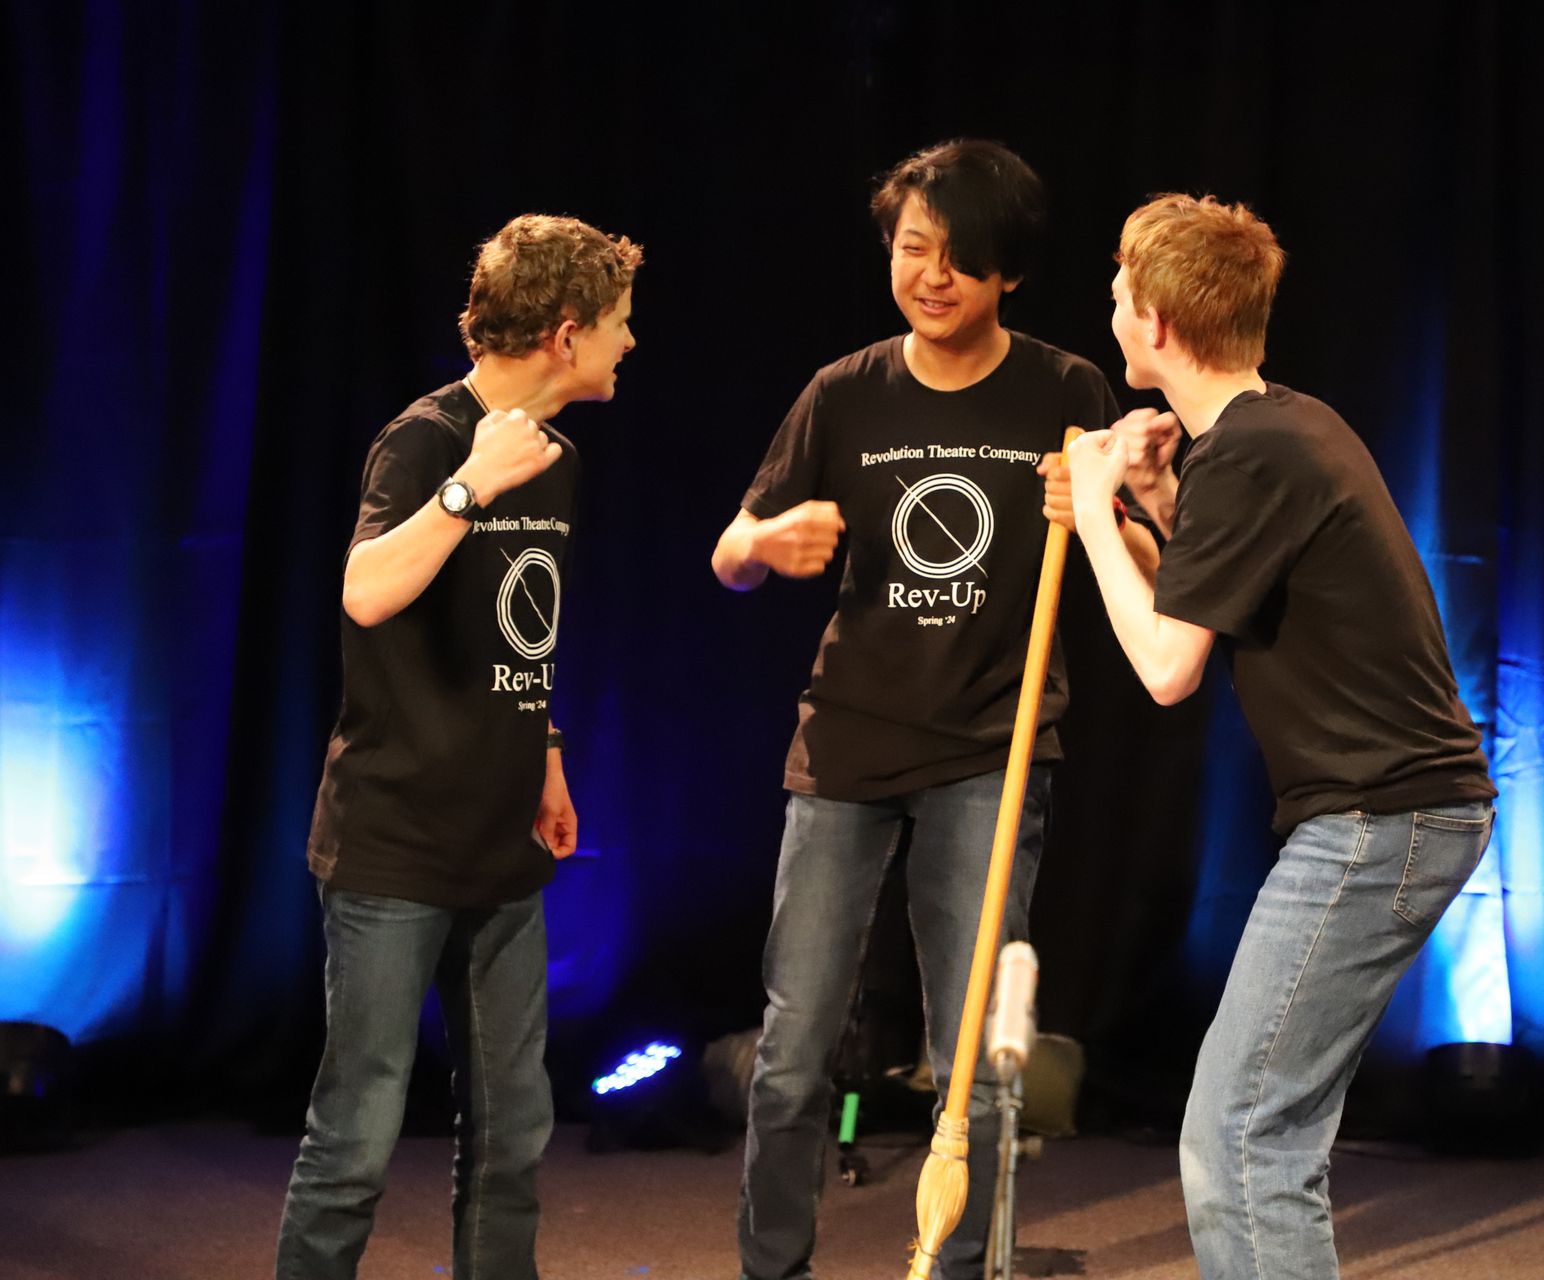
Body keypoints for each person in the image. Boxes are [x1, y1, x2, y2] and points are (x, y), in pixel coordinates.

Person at [711, 139, 1152, 1280]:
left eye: (961, 258)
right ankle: (771, 1266)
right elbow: (730, 552)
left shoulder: (1066, 390)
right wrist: (762, 541)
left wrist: (1102, 507)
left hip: (990, 755)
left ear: (1009, 272)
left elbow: (1146, 557)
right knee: (795, 1045)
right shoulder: (845, 391)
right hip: (848, 745)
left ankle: (956, 1268)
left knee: (970, 1056)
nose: (933, 276)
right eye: (914, 250)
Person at [1060, 194, 1497, 1280]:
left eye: (1118, 291)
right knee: (1262, 1127)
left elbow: (1168, 666)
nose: (1109, 306)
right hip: (1395, 815)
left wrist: (1093, 504)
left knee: (1244, 1135)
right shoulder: (1273, 429)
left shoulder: (1256, 449)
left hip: (1381, 818)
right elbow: (1213, 599)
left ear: (1156, 321)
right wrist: (1154, 505)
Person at [277, 213, 642, 1280]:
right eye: (620, 324)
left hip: (501, 842)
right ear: (566, 333)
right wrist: (468, 486)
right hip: (394, 843)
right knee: (356, 1132)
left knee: (514, 1128)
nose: (631, 343)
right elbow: (366, 589)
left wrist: (550, 751)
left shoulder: (561, 458)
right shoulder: (429, 439)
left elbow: (513, 629)